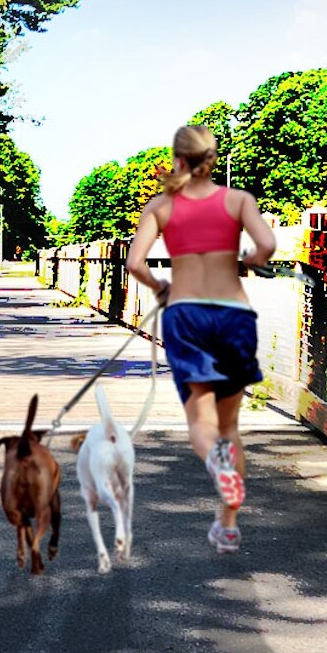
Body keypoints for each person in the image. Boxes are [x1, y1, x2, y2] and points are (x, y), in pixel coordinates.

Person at [126, 125, 275, 554]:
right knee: (230, 426)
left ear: (178, 158)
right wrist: (252, 259)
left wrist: (160, 287)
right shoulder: (238, 200)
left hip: (188, 314)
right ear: (212, 158)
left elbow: (136, 263)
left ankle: (214, 459)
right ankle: (228, 525)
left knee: (202, 426)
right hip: (235, 315)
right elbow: (266, 243)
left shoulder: (161, 206)